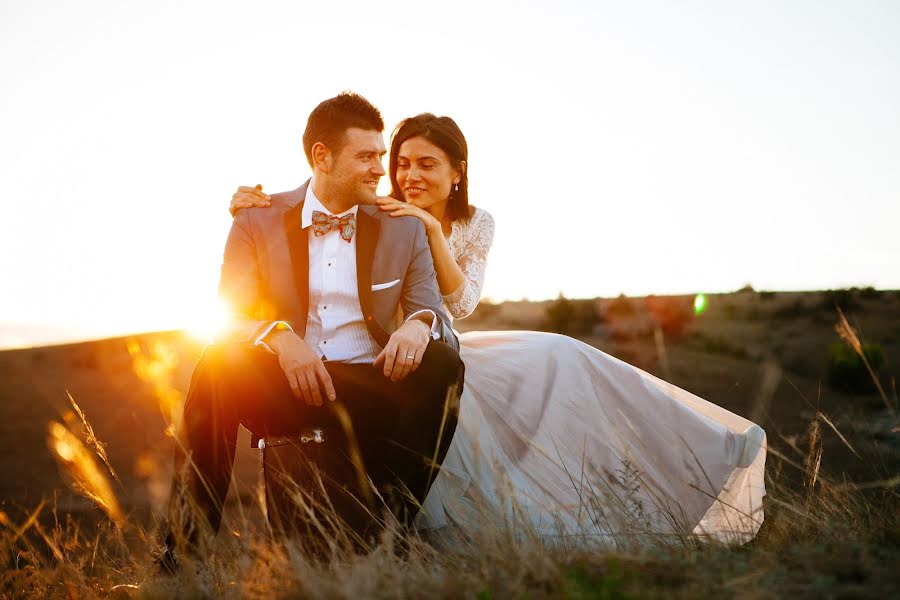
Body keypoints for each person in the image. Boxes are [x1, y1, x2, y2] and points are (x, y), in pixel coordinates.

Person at [229, 113, 767, 547]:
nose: (409, 175)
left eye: (427, 165)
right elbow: (316, 198)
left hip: (438, 341)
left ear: (457, 172)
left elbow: (459, 303)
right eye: (401, 163)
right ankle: (395, 537)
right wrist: (250, 201)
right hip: (377, 355)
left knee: (566, 359)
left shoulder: (474, 222)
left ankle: (705, 455)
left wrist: (433, 231)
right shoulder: (373, 207)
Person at [160, 93, 464, 571]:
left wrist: (416, 326)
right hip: (287, 386)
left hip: (369, 383)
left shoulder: (402, 228)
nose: (379, 170)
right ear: (322, 156)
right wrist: (281, 339)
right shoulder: (257, 218)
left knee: (444, 365)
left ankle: (391, 530)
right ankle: (181, 558)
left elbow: (428, 305)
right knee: (215, 370)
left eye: (380, 157)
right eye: (366, 156)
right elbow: (227, 315)